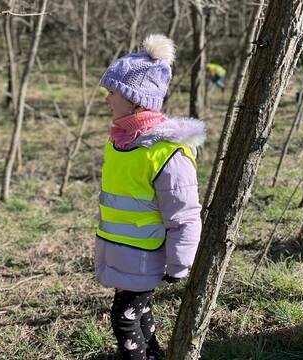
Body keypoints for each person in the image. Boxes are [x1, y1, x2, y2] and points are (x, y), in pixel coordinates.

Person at [94, 34, 204, 360]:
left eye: (111, 92)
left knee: (123, 319)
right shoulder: (121, 144)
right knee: (138, 315)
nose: (106, 100)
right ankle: (153, 355)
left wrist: (179, 264)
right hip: (121, 253)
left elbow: (184, 215)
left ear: (134, 99)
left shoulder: (168, 155)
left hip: (145, 257)